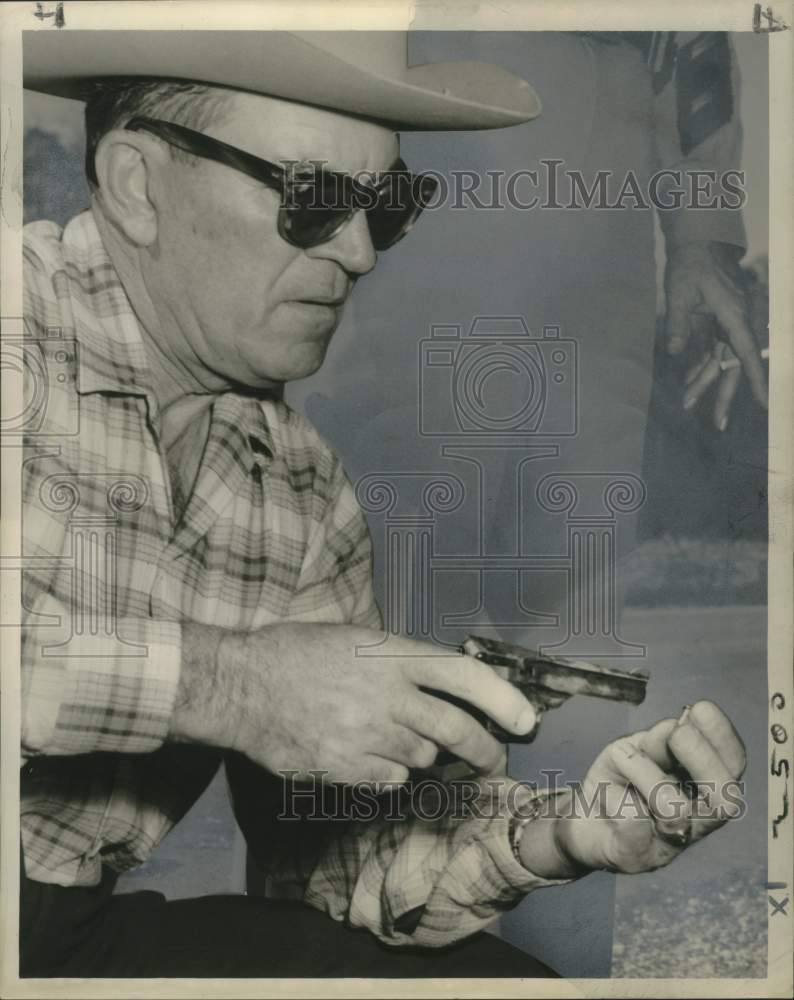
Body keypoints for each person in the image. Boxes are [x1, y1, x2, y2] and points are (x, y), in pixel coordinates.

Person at [19, 30, 746, 978]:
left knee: (503, 985)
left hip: (51, 936)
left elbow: (330, 865)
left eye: (388, 206)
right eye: (315, 199)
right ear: (136, 185)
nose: (360, 252)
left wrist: (566, 836)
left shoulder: (303, 488)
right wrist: (237, 686)